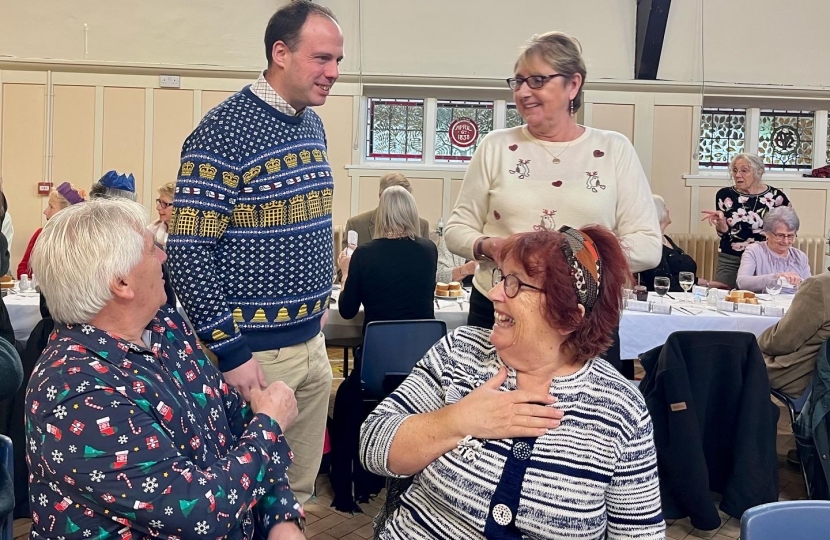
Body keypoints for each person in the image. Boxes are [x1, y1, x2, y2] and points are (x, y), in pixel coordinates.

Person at [26, 198, 306, 540]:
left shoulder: (165, 327)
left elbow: (240, 425)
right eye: (151, 249)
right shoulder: (75, 391)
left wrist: (283, 518)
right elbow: (196, 511)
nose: (164, 256)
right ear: (122, 284)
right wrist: (271, 424)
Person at [360, 226, 664, 539]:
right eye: (502, 278)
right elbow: (372, 444)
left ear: (569, 318)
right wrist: (458, 420)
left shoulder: (620, 406)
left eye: (515, 284)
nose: (494, 294)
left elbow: (640, 532)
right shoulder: (462, 350)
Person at [167, 0, 343, 503]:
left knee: (297, 495)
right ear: (281, 53)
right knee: (248, 498)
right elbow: (188, 252)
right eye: (322, 59)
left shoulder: (311, 123)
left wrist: (318, 310)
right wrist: (229, 351)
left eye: (337, 62)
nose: (332, 73)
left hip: (312, 347)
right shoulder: (224, 130)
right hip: (255, 356)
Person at [444, 30, 661, 331]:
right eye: (518, 81)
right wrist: (492, 247)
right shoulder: (495, 146)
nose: (522, 92)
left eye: (537, 80)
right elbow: (456, 230)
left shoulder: (614, 149)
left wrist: (563, 260)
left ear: (573, 84)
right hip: (499, 308)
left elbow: (648, 246)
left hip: (583, 314)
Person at [338, 186, 437, 335]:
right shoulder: (429, 249)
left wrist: (346, 272)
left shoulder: (365, 253)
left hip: (379, 347)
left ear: (381, 214)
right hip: (422, 345)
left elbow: (347, 311)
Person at [702, 152, 790, 288]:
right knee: (726, 297)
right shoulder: (725, 195)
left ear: (758, 172)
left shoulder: (776, 197)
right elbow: (725, 234)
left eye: (744, 171)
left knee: (763, 300)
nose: (737, 175)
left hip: (764, 260)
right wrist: (721, 225)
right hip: (731, 259)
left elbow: (789, 227)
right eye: (735, 170)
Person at [759, 272, 830, 397]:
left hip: (802, 378)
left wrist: (756, 341)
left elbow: (781, 342)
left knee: (731, 359)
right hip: (820, 379)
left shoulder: (820, 285)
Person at [637, 195, 727, 291]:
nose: (668, 210)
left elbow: (679, 274)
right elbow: (664, 281)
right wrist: (703, 288)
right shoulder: (651, 244)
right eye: (664, 207)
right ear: (658, 212)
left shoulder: (665, 238)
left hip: (682, 293)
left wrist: (709, 283)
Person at [342, 172, 430, 250]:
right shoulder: (356, 225)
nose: (399, 205)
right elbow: (346, 265)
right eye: (395, 200)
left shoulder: (422, 225)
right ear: (381, 196)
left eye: (404, 199)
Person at [17, 182, 85, 279]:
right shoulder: (40, 234)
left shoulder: (80, 240)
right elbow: (23, 268)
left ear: (65, 213)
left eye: (51, 207)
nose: (45, 211)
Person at [736, 206, 810, 293]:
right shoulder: (754, 250)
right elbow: (742, 283)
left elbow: (809, 287)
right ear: (767, 233)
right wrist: (775, 278)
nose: (786, 241)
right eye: (780, 235)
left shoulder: (800, 257)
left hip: (793, 305)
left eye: (790, 235)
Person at [149, 181, 175, 250]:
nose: (158, 208)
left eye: (164, 203)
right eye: (159, 202)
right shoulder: (153, 228)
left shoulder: (190, 234)